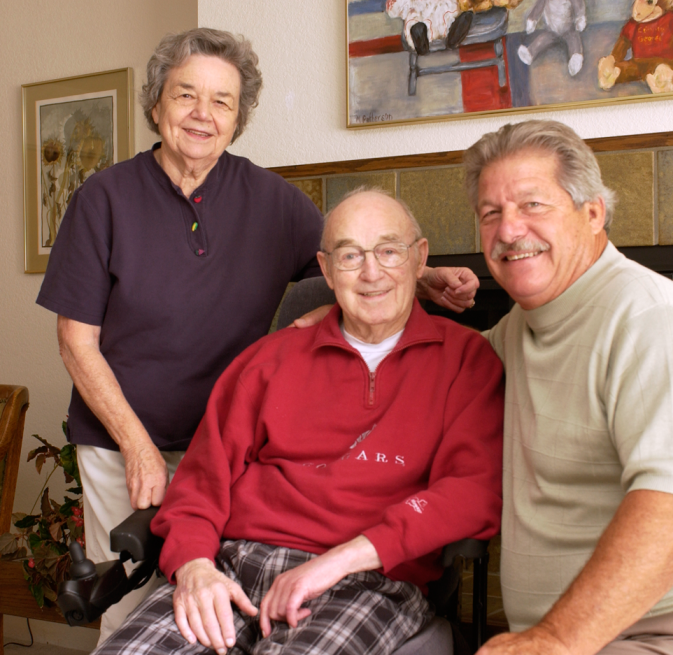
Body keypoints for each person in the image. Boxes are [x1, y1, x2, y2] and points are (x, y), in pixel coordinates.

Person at [36, 27, 479, 641]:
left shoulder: (277, 203)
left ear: (239, 116)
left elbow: (354, 257)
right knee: (130, 608)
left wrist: (423, 276)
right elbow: (75, 342)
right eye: (186, 95)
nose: (202, 114)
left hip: (234, 452)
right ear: (156, 102)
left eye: (222, 101)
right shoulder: (102, 200)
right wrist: (138, 448)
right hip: (124, 441)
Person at [91, 188, 504, 655]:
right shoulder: (268, 360)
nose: (371, 272)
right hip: (231, 567)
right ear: (326, 269)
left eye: (389, 250)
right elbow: (199, 483)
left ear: (419, 257)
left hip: (365, 580)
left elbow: (473, 491)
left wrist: (340, 561)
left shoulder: (467, 361)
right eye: (350, 255)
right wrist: (194, 567)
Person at [462, 120, 673, 655]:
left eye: (533, 205)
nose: (509, 229)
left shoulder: (650, 320)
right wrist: (350, 311)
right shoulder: (521, 329)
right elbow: (435, 372)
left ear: (592, 213)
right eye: (491, 213)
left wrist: (554, 641)